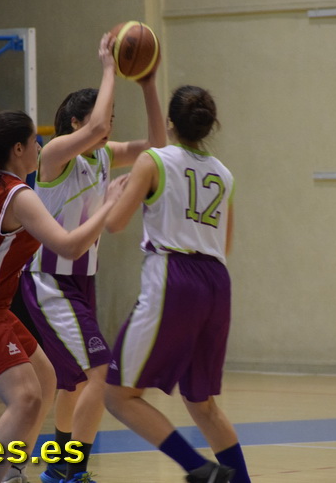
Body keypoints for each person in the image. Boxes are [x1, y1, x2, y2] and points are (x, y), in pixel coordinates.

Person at [0, 110, 126, 483]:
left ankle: (12, 472)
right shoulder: (18, 195)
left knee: (45, 380)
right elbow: (70, 246)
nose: (40, 148)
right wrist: (109, 202)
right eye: (34, 142)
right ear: (18, 148)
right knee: (26, 397)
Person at [19, 32, 165, 483]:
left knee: (74, 382)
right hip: (49, 280)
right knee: (101, 372)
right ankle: (72, 470)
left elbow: (158, 147)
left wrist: (148, 85)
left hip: (82, 279)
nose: (109, 126)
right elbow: (98, 128)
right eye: (104, 116)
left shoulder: (103, 156)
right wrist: (109, 68)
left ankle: (56, 467)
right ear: (76, 122)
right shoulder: (53, 154)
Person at [103, 85, 250, 483]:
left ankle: (198, 468)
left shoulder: (153, 160)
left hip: (174, 278)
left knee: (117, 394)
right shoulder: (224, 174)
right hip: (216, 282)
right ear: (209, 125)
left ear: (170, 123)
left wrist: (113, 196)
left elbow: (115, 224)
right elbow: (225, 244)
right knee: (202, 403)